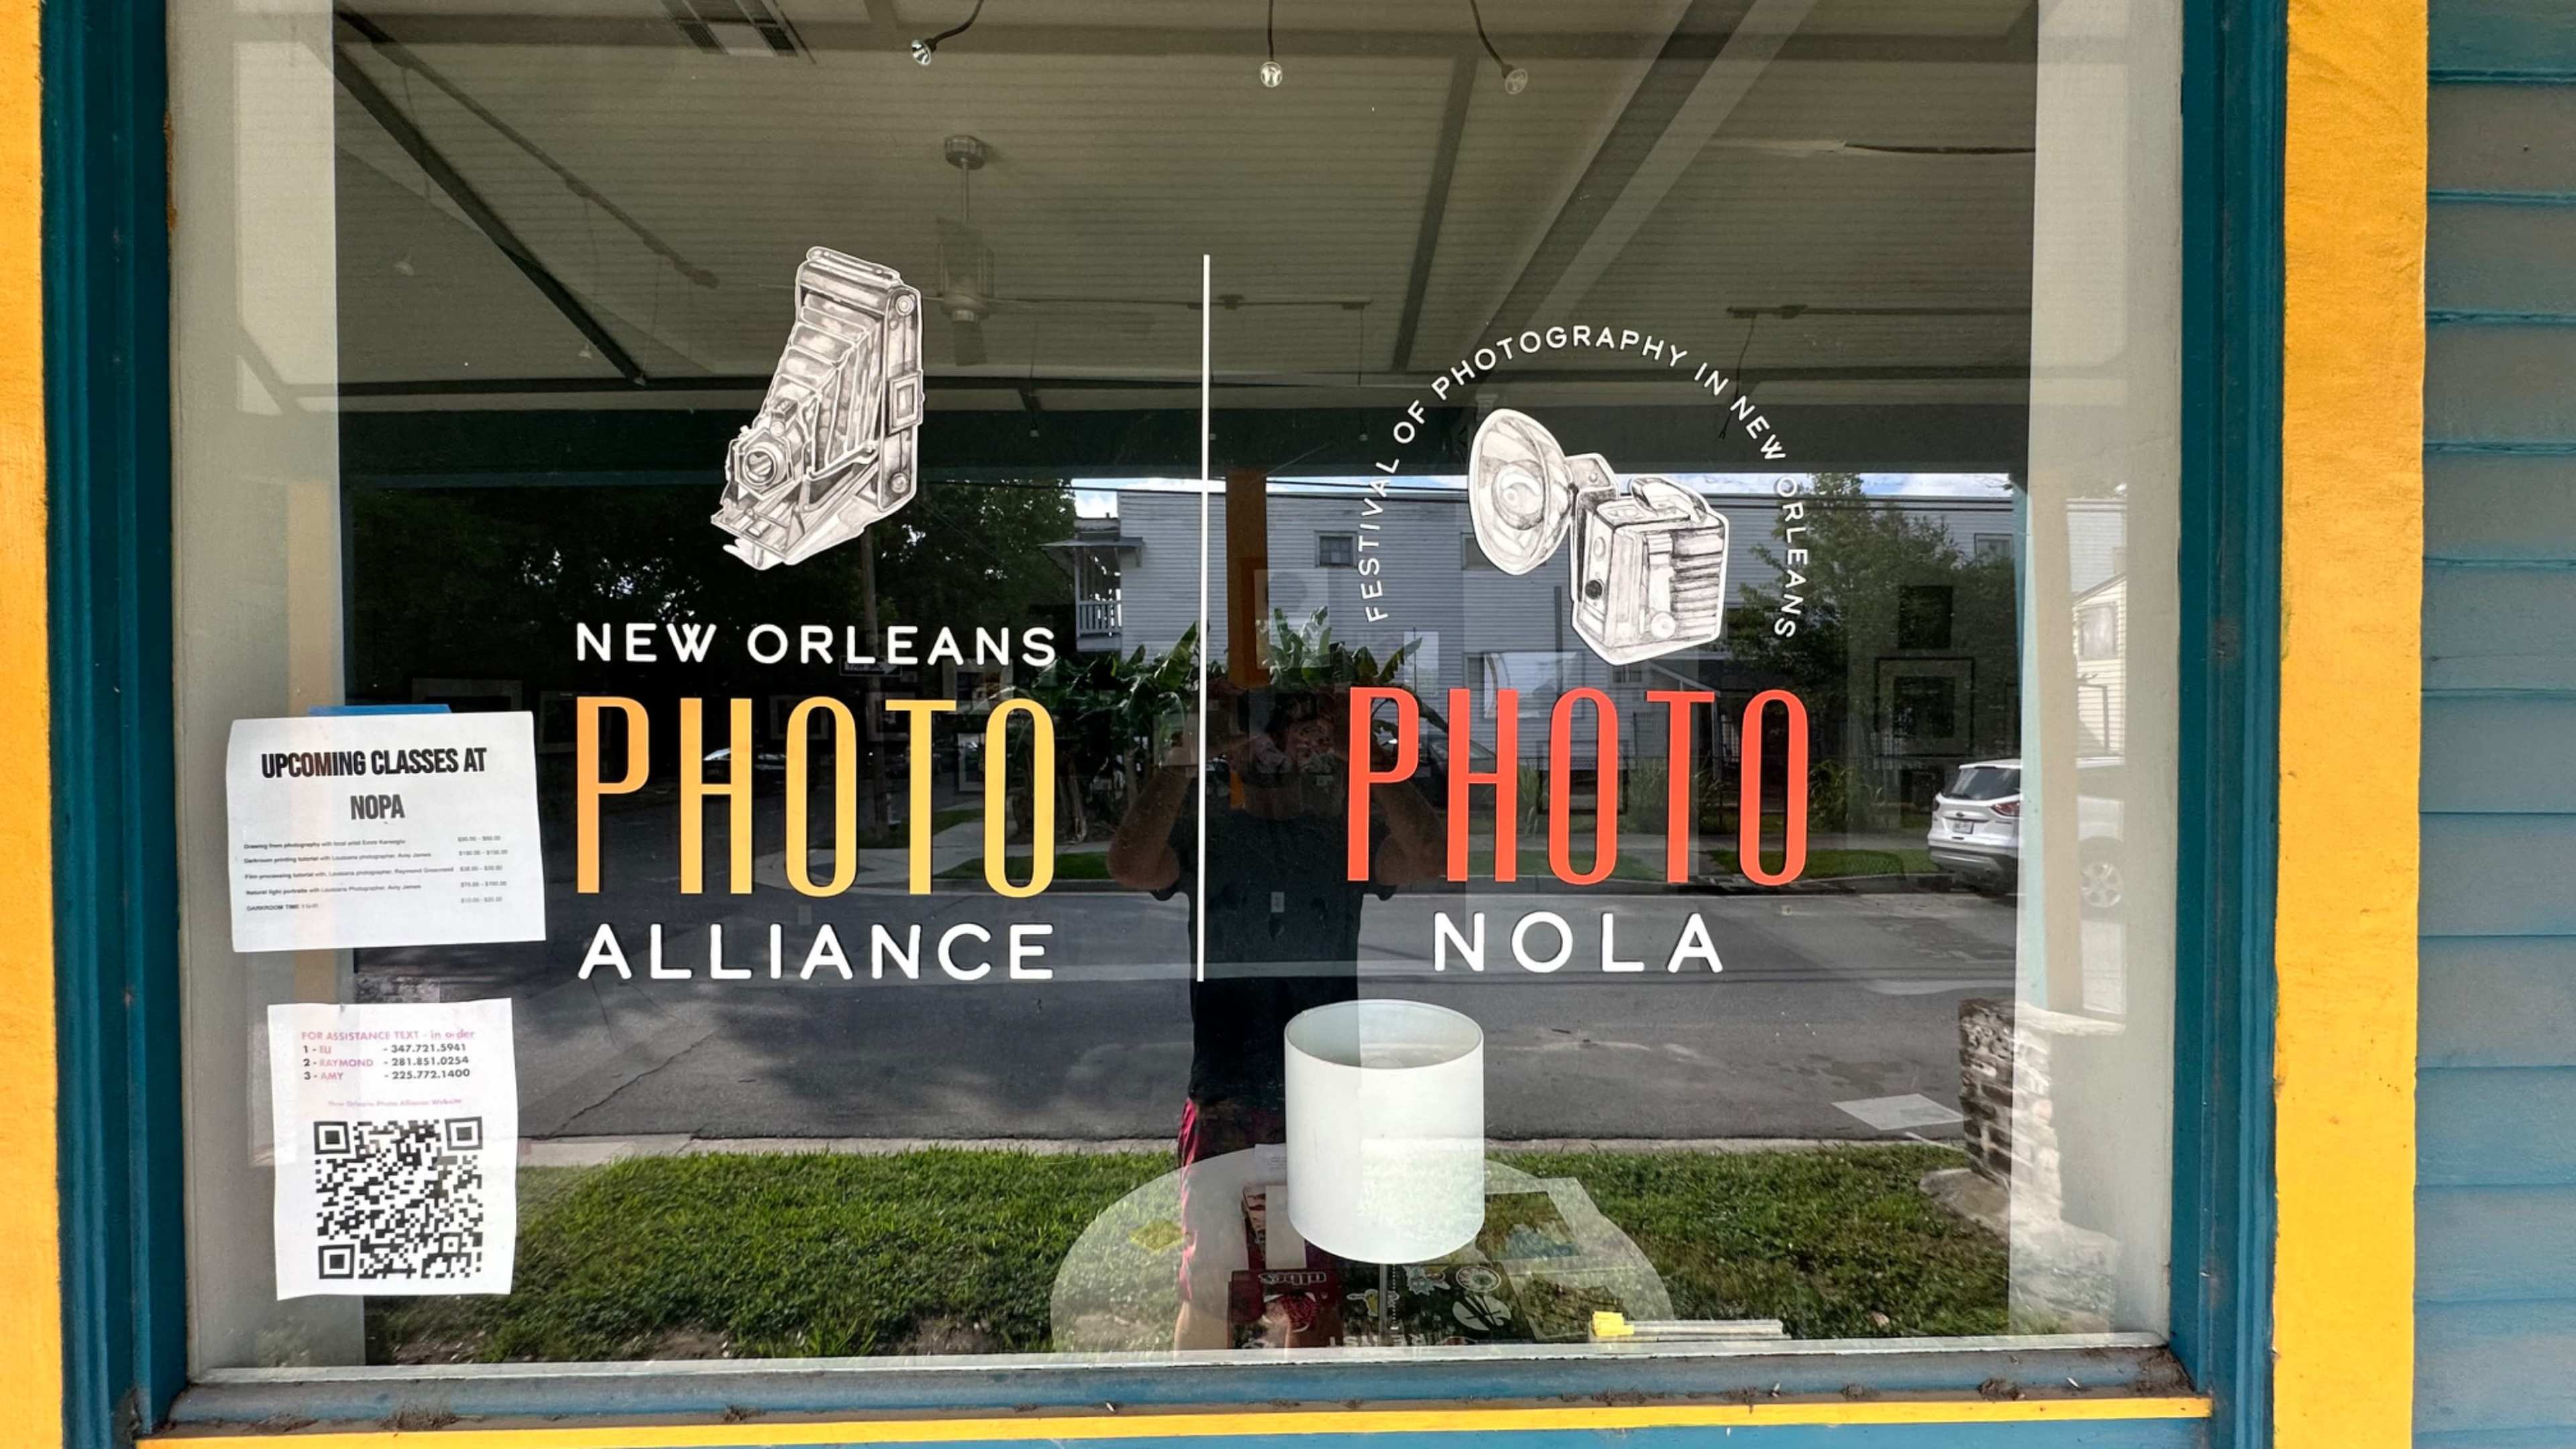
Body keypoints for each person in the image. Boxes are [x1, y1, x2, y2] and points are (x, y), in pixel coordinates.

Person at [1106, 681, 1444, 1348]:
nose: (1270, 744)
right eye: (1254, 729)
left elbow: (1431, 854)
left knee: (1311, 1296)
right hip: (1228, 1090)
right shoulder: (1208, 835)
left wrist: (1359, 750)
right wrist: (1187, 750)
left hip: (1321, 1099)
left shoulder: (1343, 835)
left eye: (1287, 728)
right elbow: (1128, 863)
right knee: (1211, 1287)